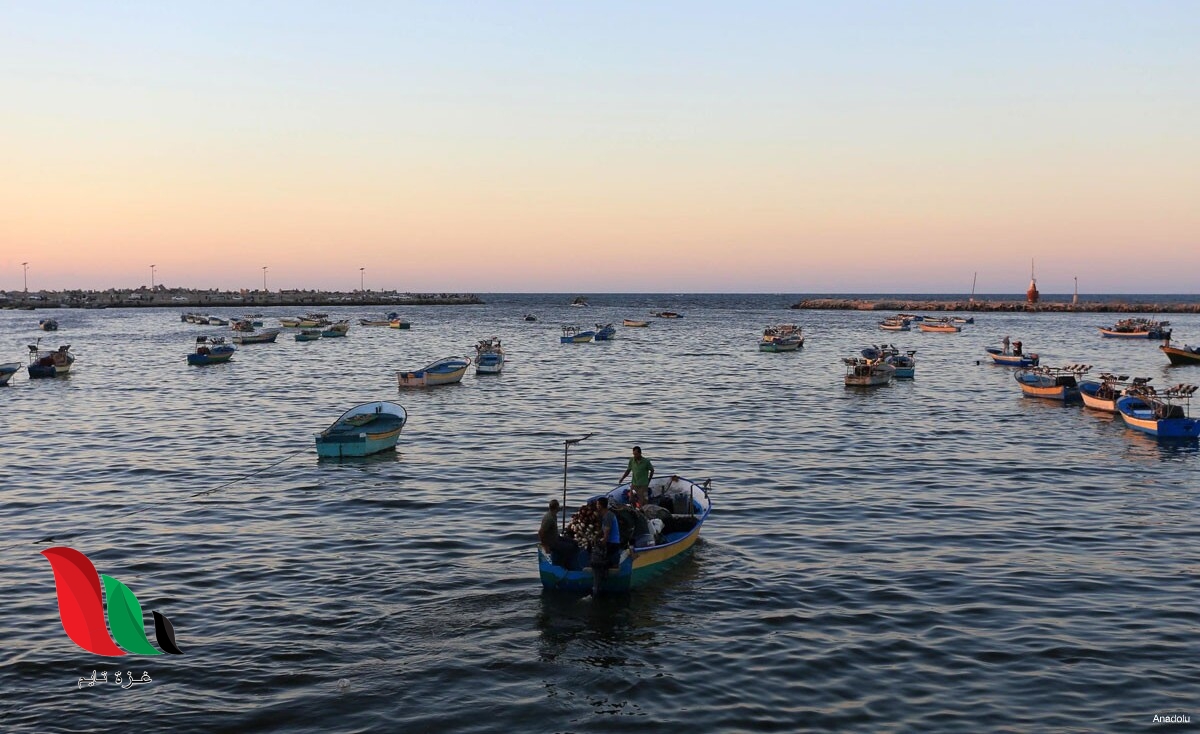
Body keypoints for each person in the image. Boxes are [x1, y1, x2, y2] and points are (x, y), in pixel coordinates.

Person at [591, 497, 622, 595]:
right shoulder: (606, 516)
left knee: (595, 557)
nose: (596, 506)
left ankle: (603, 568)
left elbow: (606, 536)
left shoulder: (608, 516)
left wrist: (598, 544)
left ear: (600, 505)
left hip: (612, 544)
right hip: (611, 543)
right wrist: (596, 536)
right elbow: (603, 530)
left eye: (597, 505)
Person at [539, 499, 578, 569]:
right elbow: (541, 532)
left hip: (556, 538)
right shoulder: (549, 518)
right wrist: (545, 545)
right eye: (558, 506)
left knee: (574, 543)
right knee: (570, 547)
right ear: (556, 507)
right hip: (552, 542)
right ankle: (563, 564)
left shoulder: (554, 515)